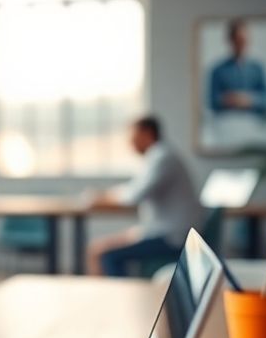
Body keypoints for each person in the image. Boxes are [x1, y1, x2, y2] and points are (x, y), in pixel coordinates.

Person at [86, 116, 202, 277]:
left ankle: (120, 295)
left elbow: (135, 194)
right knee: (96, 248)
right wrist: (107, 195)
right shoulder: (157, 156)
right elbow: (133, 188)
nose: (130, 143)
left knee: (105, 254)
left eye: (133, 137)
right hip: (159, 231)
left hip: (171, 237)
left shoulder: (163, 158)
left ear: (147, 134)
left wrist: (104, 197)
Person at [207, 19, 266, 115]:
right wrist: (227, 99)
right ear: (230, 40)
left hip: (253, 122)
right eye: (237, 40)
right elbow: (212, 101)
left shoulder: (258, 68)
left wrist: (250, 100)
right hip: (226, 121)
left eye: (243, 40)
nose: (241, 44)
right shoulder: (218, 70)